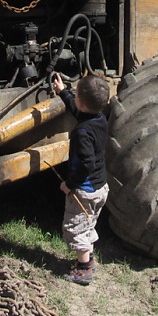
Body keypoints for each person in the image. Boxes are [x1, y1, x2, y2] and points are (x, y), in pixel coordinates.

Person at [52, 73, 110, 286]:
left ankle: (84, 270)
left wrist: (69, 185)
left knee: (76, 229)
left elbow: (86, 164)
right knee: (88, 224)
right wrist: (63, 93)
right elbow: (79, 111)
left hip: (84, 192)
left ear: (81, 100)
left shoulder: (81, 133)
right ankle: (90, 260)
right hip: (100, 187)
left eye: (75, 94)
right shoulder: (99, 119)